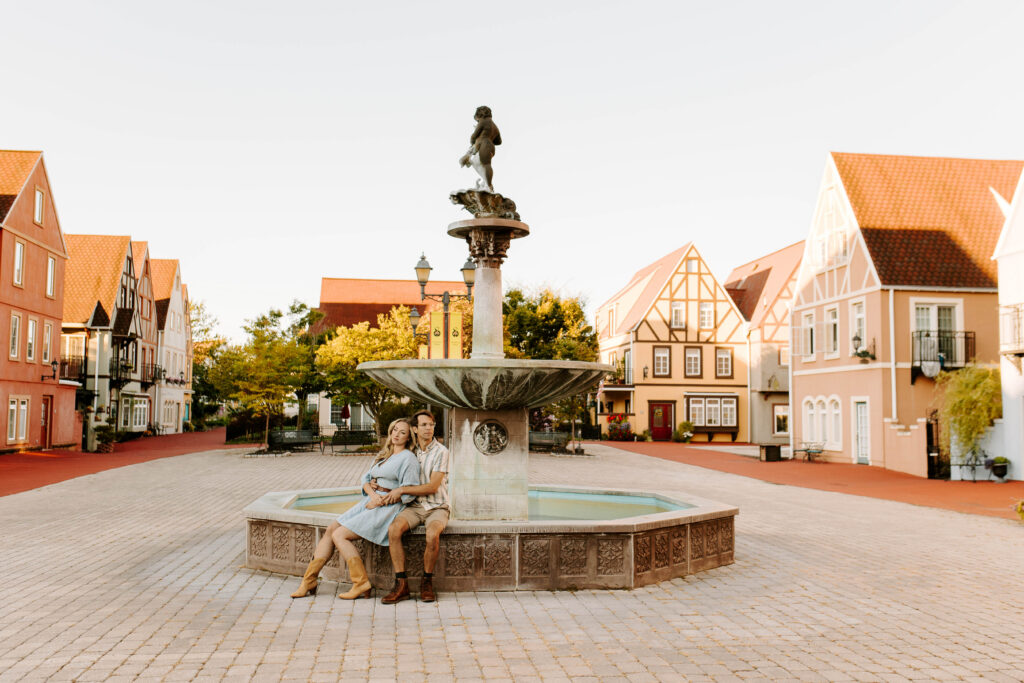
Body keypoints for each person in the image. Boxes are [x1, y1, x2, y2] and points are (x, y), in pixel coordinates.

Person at [289, 418, 420, 600]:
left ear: (409, 438)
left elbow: (408, 492)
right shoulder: (385, 454)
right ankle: (308, 581)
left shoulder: (408, 458)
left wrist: (382, 499)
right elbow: (365, 479)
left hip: (386, 508)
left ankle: (360, 583)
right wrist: (372, 495)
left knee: (339, 535)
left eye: (402, 432)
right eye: (394, 429)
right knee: (331, 529)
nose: (396, 434)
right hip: (369, 502)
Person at [378, 409, 450, 603]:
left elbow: (433, 486)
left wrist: (401, 490)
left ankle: (427, 582)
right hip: (415, 506)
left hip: (437, 506)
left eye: (431, 425)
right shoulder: (411, 452)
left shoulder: (442, 452)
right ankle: (401, 584)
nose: (429, 428)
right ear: (415, 429)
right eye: (424, 425)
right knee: (393, 530)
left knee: (432, 534)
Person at [459, 105, 501, 192]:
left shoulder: (483, 121)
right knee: (478, 163)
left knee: (486, 165)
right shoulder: (495, 126)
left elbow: (473, 136)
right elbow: (499, 141)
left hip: (484, 144)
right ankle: (487, 183)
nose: (477, 121)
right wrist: (490, 137)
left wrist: (476, 140)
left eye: (477, 119)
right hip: (490, 146)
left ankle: (488, 186)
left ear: (480, 114)